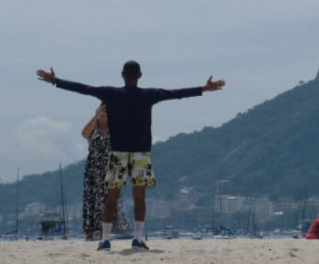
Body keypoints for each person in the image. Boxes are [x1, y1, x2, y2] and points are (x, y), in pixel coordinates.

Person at [37, 61, 226, 251]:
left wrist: (55, 81)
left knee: (111, 198)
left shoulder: (111, 94)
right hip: (140, 153)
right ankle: (137, 238)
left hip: (117, 152)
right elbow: (176, 94)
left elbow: (83, 89)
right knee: (139, 198)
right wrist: (204, 88)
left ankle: (104, 240)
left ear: (122, 75)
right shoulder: (148, 95)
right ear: (140, 75)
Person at [80, 104, 128, 241]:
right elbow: (84, 134)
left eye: (106, 114)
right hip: (94, 170)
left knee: (107, 202)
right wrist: (95, 116)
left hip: (111, 169)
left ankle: (103, 234)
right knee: (91, 201)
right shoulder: (93, 129)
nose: (104, 117)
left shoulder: (115, 129)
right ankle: (89, 234)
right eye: (101, 114)